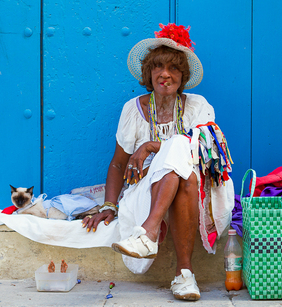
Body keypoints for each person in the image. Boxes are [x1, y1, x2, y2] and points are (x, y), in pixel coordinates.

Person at [81, 23, 234, 301]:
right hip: (145, 191)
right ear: (148, 73)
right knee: (180, 165)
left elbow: (205, 154)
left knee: (183, 159)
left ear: (182, 76)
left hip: (198, 191)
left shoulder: (198, 106)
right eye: (158, 67)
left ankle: (151, 237)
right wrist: (109, 204)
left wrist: (151, 146)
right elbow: (118, 165)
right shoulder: (132, 109)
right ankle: (184, 274)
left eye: (174, 68)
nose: (165, 74)